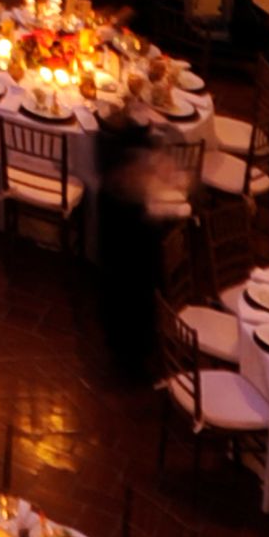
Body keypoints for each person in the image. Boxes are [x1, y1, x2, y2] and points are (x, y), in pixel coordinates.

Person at [90, 103, 162, 384]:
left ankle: (129, 350)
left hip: (128, 236)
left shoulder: (114, 152)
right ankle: (129, 356)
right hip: (127, 239)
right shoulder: (119, 171)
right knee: (128, 294)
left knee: (128, 294)